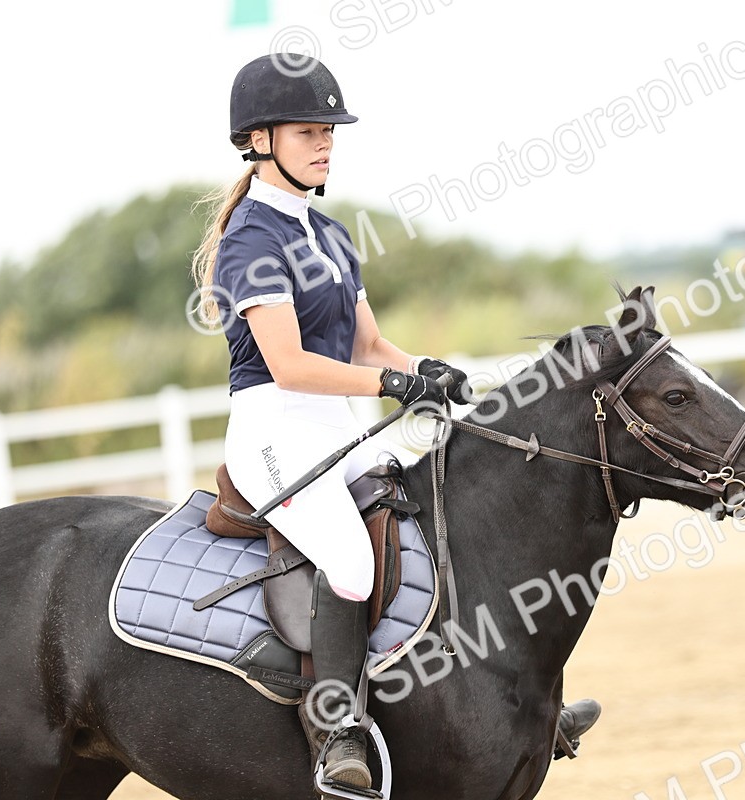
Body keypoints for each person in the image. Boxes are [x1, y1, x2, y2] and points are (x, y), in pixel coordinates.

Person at [191, 52, 470, 792]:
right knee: (348, 559)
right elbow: (288, 364)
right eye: (309, 132)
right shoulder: (251, 240)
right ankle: (338, 733)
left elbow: (368, 344)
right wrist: (392, 384)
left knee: (432, 515)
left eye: (329, 132)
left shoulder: (331, 233)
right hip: (274, 434)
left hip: (336, 427)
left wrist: (429, 370)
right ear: (259, 140)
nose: (324, 145)